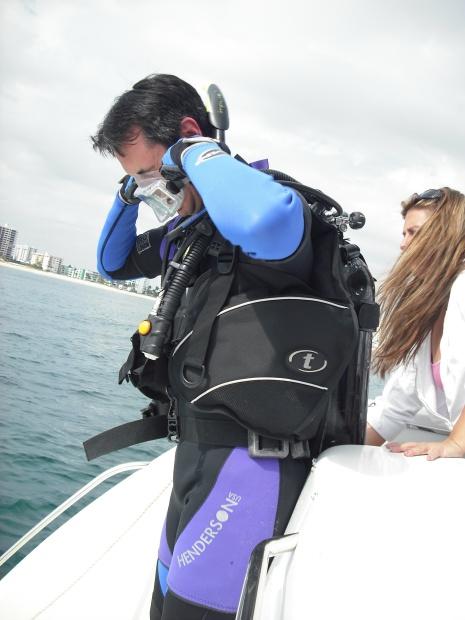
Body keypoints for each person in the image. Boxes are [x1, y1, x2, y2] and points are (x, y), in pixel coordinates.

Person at [91, 74, 326, 620]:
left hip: (251, 469)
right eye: (139, 184)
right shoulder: (194, 233)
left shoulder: (267, 218)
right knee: (163, 606)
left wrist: (194, 151)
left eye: (153, 176)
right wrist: (128, 191)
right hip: (195, 461)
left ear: (190, 143)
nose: (156, 194)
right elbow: (112, 260)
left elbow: (266, 218)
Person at [365, 188, 465, 460]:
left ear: (449, 237)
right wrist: (338, 446)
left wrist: (456, 443)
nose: (403, 244)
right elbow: (396, 405)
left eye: (415, 233)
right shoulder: (430, 310)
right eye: (404, 233)